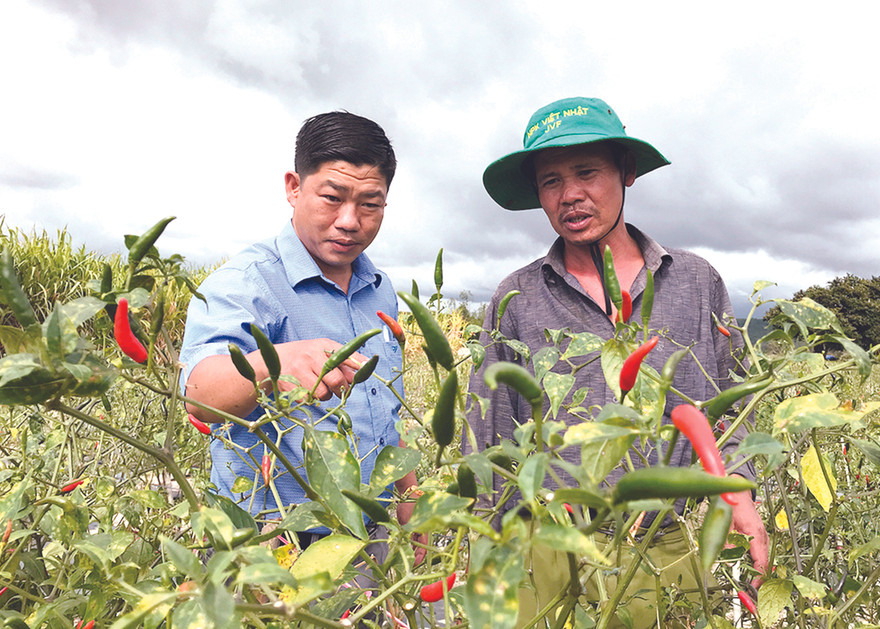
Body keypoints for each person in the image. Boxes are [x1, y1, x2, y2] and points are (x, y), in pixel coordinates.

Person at [467, 97, 769, 626]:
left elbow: (730, 402)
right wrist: (486, 547)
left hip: (662, 540)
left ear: (626, 173)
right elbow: (489, 427)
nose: (571, 195)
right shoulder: (517, 296)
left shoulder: (695, 281)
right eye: (551, 181)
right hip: (550, 540)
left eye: (587, 173)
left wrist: (737, 490)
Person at [179, 111, 421, 555]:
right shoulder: (248, 283)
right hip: (274, 538)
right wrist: (276, 362)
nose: (350, 220)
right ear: (294, 187)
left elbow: (384, 412)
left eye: (370, 203)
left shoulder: (379, 290)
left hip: (373, 531)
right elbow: (199, 392)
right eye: (332, 197)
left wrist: (410, 498)